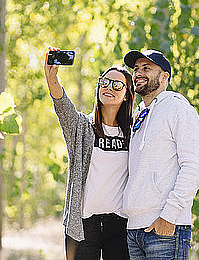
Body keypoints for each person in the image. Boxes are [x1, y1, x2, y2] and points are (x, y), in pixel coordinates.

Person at [44, 47, 134, 260]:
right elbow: (62, 105)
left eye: (117, 84)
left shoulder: (133, 133)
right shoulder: (82, 127)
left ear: (127, 94)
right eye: (104, 81)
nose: (109, 87)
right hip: (82, 226)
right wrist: (52, 78)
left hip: (120, 225)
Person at [122, 49, 199, 260]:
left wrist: (168, 217)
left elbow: (194, 169)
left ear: (165, 77)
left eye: (147, 68)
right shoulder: (138, 114)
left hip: (166, 229)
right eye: (136, 69)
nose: (139, 73)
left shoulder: (179, 109)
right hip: (135, 229)